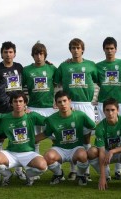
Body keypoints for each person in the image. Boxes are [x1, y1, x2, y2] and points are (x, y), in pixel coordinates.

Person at [55, 38, 97, 180]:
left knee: (86, 138)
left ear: (82, 49)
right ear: (70, 50)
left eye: (78, 47)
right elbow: (54, 80)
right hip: (70, 105)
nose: (76, 50)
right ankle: (73, 170)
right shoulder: (64, 66)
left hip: (86, 104)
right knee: (71, 137)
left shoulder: (91, 65)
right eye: (73, 48)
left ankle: (85, 169)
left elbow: (99, 80)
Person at [36, 91, 96, 186]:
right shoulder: (52, 119)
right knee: (47, 157)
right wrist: (29, 140)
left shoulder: (80, 115)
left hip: (76, 148)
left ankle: (80, 175)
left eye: (65, 101)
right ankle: (58, 174)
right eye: (59, 102)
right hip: (60, 148)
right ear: (56, 104)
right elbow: (45, 134)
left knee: (83, 155)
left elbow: (94, 126)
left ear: (70, 101)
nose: (63, 104)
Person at [0, 41, 25, 181]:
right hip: (0, 110)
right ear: (1, 53)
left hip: (16, 111)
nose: (8, 54)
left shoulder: (19, 67)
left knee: (18, 139)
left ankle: (19, 170)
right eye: (5, 52)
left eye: (10, 52)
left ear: (14, 53)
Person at [0, 90, 47, 186]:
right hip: (11, 153)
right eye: (15, 101)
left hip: (28, 153)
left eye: (20, 101)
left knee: (43, 166)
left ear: (25, 103)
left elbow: (50, 122)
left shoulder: (32, 116)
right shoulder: (5, 119)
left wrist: (38, 137)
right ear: (11, 104)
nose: (18, 104)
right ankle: (7, 175)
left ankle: (29, 175)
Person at [96, 37, 121, 179]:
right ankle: (105, 170)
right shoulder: (97, 66)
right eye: (107, 48)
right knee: (106, 135)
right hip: (102, 104)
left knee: (120, 135)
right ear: (103, 49)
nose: (110, 51)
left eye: (112, 48)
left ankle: (118, 170)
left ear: (116, 49)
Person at [87, 98, 121, 190]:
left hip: (120, 153)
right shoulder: (100, 127)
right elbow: (101, 152)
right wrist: (102, 176)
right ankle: (106, 174)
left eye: (113, 110)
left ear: (118, 110)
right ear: (103, 111)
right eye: (107, 110)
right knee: (91, 152)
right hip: (106, 153)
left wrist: (113, 151)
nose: (110, 113)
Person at [22, 42, 57, 155]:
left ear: (45, 55)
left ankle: (56, 162)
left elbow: (61, 84)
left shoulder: (52, 68)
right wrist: (24, 106)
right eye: (36, 54)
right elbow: (19, 89)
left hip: (49, 108)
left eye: (41, 54)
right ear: (33, 55)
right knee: (33, 139)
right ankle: (35, 162)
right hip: (33, 108)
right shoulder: (26, 70)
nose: (39, 57)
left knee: (55, 136)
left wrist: (57, 101)